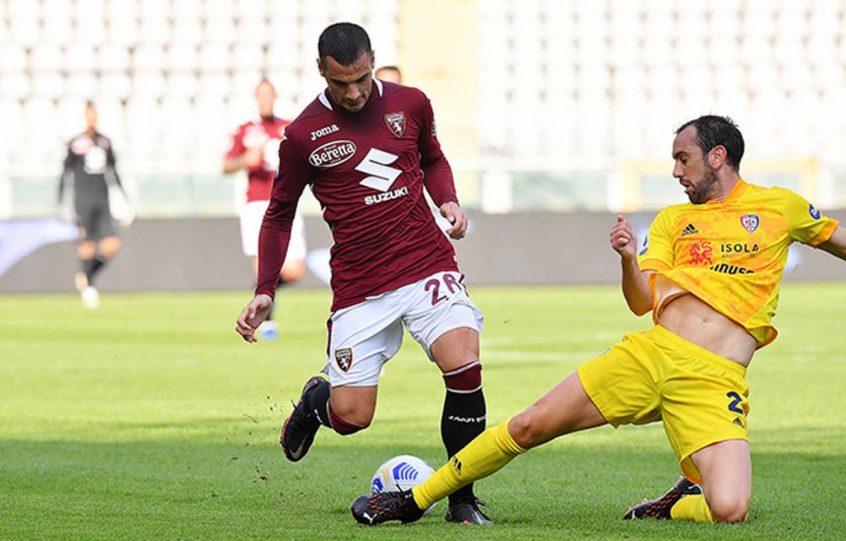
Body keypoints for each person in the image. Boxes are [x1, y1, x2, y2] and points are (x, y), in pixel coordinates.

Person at [350, 115, 846, 526]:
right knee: (529, 426)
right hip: (652, 356)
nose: (676, 172)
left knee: (729, 509)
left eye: (683, 158)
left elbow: (838, 241)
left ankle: (676, 504)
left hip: (714, 380)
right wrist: (629, 258)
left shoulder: (781, 207)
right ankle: (413, 500)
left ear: (717, 156)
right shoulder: (675, 220)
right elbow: (640, 301)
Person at [234, 22, 493, 524]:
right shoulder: (302, 135)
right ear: (320, 72)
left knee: (464, 364)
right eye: (339, 83)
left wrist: (449, 202)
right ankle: (316, 403)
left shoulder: (411, 103)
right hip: (360, 288)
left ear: (373, 60)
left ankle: (463, 499)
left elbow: (434, 159)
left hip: (426, 263)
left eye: (361, 78)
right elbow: (279, 212)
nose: (353, 93)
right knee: (353, 417)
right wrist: (266, 288)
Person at [223, 79, 307, 340]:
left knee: (293, 270)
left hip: (287, 202)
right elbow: (226, 165)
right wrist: (244, 160)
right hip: (257, 202)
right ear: (256, 98)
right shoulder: (245, 131)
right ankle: (266, 319)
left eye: (269, 95)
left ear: (275, 97)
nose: (266, 100)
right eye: (262, 95)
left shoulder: (288, 127)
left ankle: (261, 296)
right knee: (263, 266)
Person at [57, 101, 127, 309]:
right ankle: (89, 288)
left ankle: (86, 276)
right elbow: (66, 173)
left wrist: (123, 197)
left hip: (103, 201)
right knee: (87, 247)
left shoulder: (104, 142)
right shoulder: (75, 144)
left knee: (111, 244)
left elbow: (113, 172)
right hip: (83, 201)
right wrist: (61, 201)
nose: (91, 119)